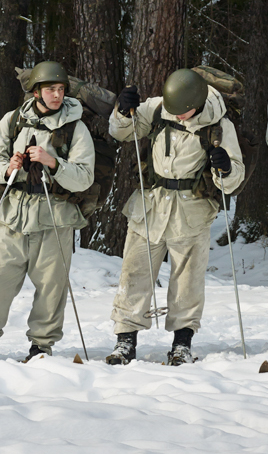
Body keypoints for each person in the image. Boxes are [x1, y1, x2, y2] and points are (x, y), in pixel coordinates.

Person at [105, 67, 246, 366]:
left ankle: (182, 343)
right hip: (151, 204)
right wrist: (122, 110)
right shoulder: (159, 108)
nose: (179, 117)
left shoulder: (220, 126)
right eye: (175, 112)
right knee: (134, 273)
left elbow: (233, 181)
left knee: (187, 281)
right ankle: (125, 340)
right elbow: (120, 131)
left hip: (191, 210)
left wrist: (226, 168)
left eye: (184, 113)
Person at [0, 60, 95, 361]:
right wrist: (8, 170)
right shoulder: (12, 121)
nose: (56, 95)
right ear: (35, 92)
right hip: (13, 214)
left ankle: (41, 346)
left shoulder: (76, 127)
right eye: (50, 90)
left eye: (60, 90)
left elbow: (85, 177)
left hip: (55, 216)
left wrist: (53, 162)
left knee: (51, 287)